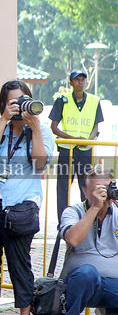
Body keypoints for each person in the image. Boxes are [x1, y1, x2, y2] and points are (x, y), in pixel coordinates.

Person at [0, 80, 54, 315]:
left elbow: (40, 164)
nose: (20, 106)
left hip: (21, 203)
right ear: (4, 105)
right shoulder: (3, 127)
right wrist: (4, 120)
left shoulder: (41, 130)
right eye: (13, 102)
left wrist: (36, 129)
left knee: (20, 262)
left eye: (23, 100)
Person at [58, 170, 118, 315]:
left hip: (112, 283)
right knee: (87, 273)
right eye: (97, 189)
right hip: (81, 283)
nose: (103, 193)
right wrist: (95, 208)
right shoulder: (73, 211)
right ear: (84, 191)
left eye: (107, 188)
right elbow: (73, 239)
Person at [49, 70, 102, 221]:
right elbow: (54, 127)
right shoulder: (62, 100)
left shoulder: (94, 101)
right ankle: (63, 222)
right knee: (63, 188)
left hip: (86, 151)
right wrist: (73, 139)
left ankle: (86, 221)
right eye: (76, 80)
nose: (80, 82)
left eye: (82, 80)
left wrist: (88, 141)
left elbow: (96, 127)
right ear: (71, 82)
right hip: (67, 150)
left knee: (86, 188)